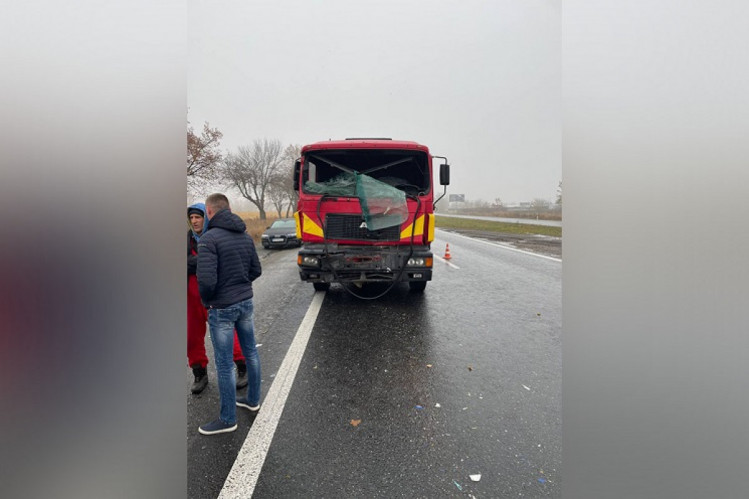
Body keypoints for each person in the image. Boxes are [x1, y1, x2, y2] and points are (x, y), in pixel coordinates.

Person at [196, 193, 262, 435]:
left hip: (221, 308)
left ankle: (227, 419)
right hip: (245, 302)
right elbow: (256, 269)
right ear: (228, 208)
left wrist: (208, 301)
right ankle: (253, 400)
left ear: (210, 212)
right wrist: (241, 286)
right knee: (251, 353)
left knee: (224, 365)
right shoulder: (244, 235)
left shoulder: (208, 239)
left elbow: (206, 280)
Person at [187, 202, 249, 394]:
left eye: (198, 217)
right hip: (190, 298)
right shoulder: (186, 239)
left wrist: (195, 262)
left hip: (214, 296)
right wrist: (202, 260)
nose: (194, 221)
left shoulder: (216, 236)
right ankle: (199, 373)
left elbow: (222, 261)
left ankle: (242, 368)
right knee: (190, 337)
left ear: (206, 217)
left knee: (226, 335)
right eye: (192, 218)